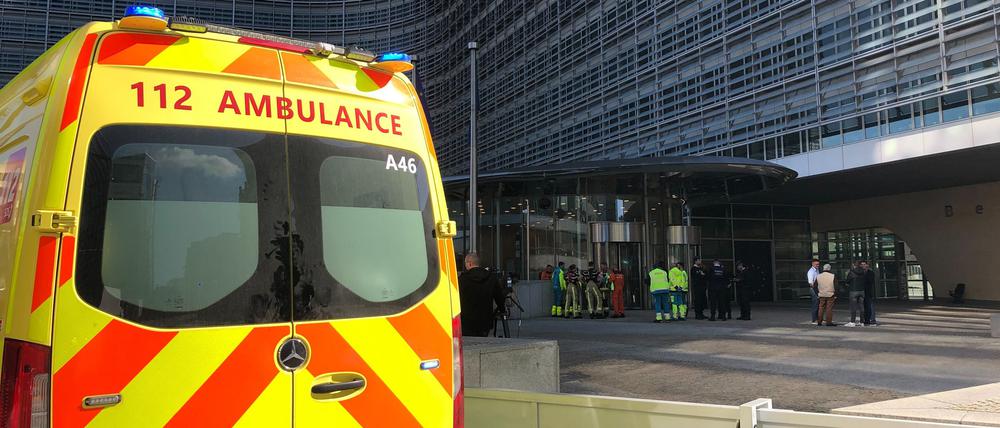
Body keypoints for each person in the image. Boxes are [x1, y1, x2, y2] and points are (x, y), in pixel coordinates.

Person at [458, 253, 505, 337]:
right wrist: (502, 310)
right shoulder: (491, 277)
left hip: (467, 321)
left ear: (469, 263)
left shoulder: (462, 279)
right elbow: (499, 297)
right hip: (485, 321)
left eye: (465, 263)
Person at [845, 262, 866, 327]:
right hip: (862, 291)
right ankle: (862, 322)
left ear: (854, 266)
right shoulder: (863, 272)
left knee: (853, 307)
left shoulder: (851, 272)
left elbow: (847, 281)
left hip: (853, 291)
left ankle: (852, 322)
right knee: (861, 307)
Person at [861, 261, 878, 326]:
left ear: (867, 265)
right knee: (864, 306)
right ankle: (866, 320)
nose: (863, 266)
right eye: (862, 264)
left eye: (864, 264)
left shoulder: (870, 273)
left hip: (868, 291)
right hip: (862, 291)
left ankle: (872, 320)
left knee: (870, 306)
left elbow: (870, 281)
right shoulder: (860, 273)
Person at [807, 259, 821, 324]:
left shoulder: (817, 270)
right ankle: (814, 319)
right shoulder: (811, 272)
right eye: (816, 264)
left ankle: (818, 318)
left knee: (818, 304)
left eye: (818, 264)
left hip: (817, 288)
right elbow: (811, 283)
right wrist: (816, 291)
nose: (817, 265)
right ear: (812, 264)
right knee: (815, 304)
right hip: (814, 289)